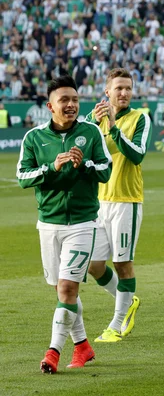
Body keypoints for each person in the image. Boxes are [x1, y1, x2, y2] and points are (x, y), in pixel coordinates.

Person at [17, 75, 112, 373]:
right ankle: (82, 346)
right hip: (48, 224)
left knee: (68, 289)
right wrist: (52, 167)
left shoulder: (91, 133)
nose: (71, 105)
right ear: (50, 106)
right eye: (64, 100)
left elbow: (105, 169)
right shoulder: (33, 138)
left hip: (83, 223)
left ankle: (53, 353)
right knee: (62, 290)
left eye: (74, 99)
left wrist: (83, 164)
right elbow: (23, 176)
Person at [84, 68, 151, 343]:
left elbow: (137, 155)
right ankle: (127, 300)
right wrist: (93, 122)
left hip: (126, 201)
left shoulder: (140, 118)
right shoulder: (93, 119)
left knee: (123, 263)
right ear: (107, 92)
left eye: (128, 88)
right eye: (118, 88)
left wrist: (112, 126)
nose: (123, 93)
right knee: (94, 265)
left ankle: (117, 323)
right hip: (100, 202)